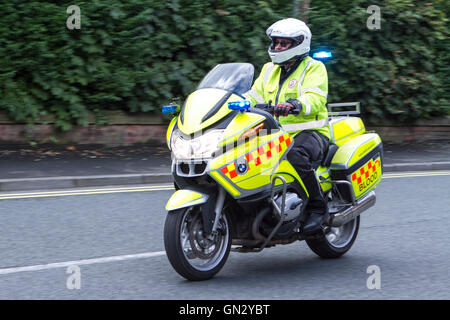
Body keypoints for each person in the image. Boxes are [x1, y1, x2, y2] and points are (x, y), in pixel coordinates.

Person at [244, 18, 330, 235]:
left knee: (295, 153)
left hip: (309, 131)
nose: (278, 47)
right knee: (237, 150)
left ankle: (318, 208)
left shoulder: (314, 68)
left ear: (299, 43)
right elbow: (252, 96)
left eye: (284, 43)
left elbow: (315, 97)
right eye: (276, 43)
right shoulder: (268, 70)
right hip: (274, 131)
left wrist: (295, 104)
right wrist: (230, 103)